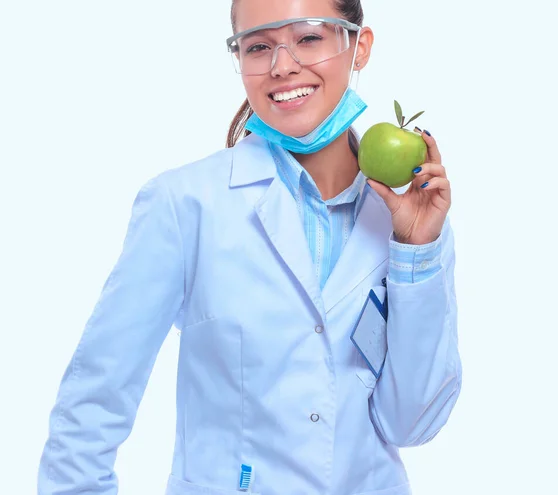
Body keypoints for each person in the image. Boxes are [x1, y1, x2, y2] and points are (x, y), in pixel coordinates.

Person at [37, 0, 462, 493]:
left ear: (359, 46)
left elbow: (412, 424)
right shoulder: (185, 204)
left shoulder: (413, 224)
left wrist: (416, 254)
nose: (282, 66)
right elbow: (93, 404)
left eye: (307, 38)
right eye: (258, 46)